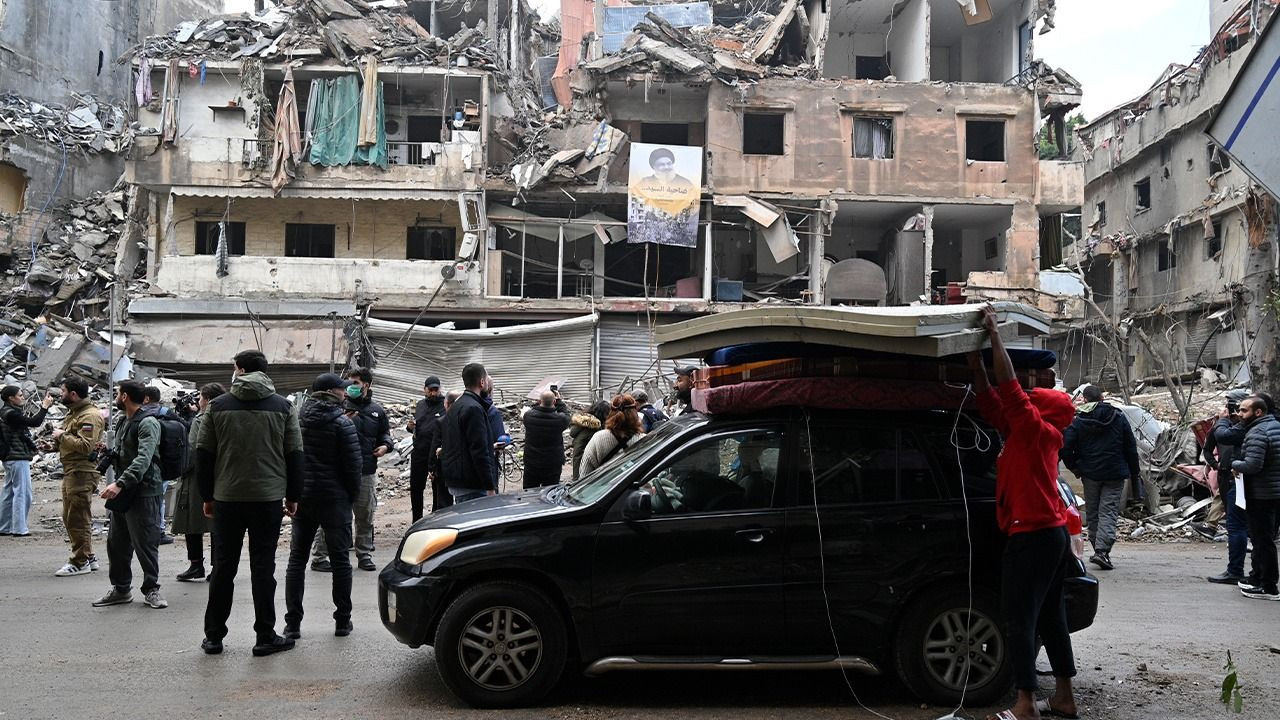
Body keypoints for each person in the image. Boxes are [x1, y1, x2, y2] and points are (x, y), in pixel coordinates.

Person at [969, 306, 1078, 720]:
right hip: (1048, 535)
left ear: (1039, 410)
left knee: (1019, 619)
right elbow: (991, 400)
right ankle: (1064, 698)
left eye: (1031, 402)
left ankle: (1025, 703)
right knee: (1052, 617)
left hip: (1033, 537)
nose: (1022, 402)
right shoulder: (1023, 433)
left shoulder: (1035, 431)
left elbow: (1009, 386)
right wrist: (972, 358)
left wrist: (994, 335)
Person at [197, 350, 303, 657]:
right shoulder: (283, 406)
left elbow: (204, 454)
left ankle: (214, 636)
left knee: (223, 567)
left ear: (240, 370)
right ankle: (265, 636)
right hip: (267, 499)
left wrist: (207, 496)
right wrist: (293, 496)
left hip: (226, 499)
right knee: (262, 568)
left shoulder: (217, 406)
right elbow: (295, 454)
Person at [284, 373, 363, 639]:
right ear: (332, 392)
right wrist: (349, 497)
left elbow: (290, 460)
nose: (346, 393)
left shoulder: (297, 420)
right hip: (335, 500)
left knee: (297, 561)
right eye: (342, 390)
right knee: (341, 560)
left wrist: (293, 493)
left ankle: (292, 624)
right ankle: (343, 620)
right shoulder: (342, 423)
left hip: (304, 499)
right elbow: (353, 467)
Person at [93, 381, 167, 610]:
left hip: (143, 491)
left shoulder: (148, 423)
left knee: (145, 543)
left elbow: (143, 459)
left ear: (124, 396)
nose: (115, 396)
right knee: (117, 543)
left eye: (117, 393)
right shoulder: (124, 421)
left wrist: (119, 484)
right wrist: (108, 455)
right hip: (124, 490)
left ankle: (151, 589)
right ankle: (121, 589)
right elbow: (127, 453)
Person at [312, 367, 392, 573]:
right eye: (349, 383)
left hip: (366, 470)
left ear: (367, 385)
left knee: (365, 514)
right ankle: (320, 556)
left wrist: (385, 446)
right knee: (333, 514)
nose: (350, 388)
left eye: (355, 383)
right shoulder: (337, 407)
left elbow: (385, 434)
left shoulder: (377, 410)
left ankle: (364, 554)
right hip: (338, 472)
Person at [1060, 384, 1140, 571]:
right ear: (1102, 398)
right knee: (1109, 511)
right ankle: (1102, 551)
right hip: (1115, 473)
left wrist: (1075, 467)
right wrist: (1134, 472)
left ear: (1085, 400)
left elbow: (1065, 447)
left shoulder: (1079, 421)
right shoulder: (1118, 417)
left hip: (1090, 473)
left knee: (1094, 512)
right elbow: (1130, 446)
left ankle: (1099, 549)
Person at [52, 378, 105, 576]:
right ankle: (88, 556)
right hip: (72, 470)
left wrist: (61, 436)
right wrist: (55, 445)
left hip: (82, 472)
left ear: (73, 394)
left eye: (63, 390)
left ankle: (79, 561)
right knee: (71, 516)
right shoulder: (75, 413)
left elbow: (85, 446)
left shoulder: (90, 416)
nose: (60, 394)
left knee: (78, 517)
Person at [172, 383, 225, 582]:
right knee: (217, 525)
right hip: (223, 476)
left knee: (191, 522)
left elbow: (193, 450)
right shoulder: (228, 416)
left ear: (208, 400)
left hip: (198, 478)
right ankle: (217, 566)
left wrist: (181, 470)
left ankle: (196, 565)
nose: (198, 402)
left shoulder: (201, 420)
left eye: (201, 398)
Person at [1232, 395, 1280, 601]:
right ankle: (1259, 579)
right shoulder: (1275, 426)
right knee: (1265, 539)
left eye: (1244, 411)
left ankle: (1268, 586)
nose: (1239, 414)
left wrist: (1235, 464)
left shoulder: (1258, 432)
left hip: (1262, 494)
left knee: (1262, 541)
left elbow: (1253, 465)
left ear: (1258, 412)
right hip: (1273, 492)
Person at [1201, 392, 1252, 584]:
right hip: (1227, 477)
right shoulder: (1232, 426)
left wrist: (1221, 421)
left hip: (1239, 480)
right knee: (1239, 525)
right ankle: (1252, 573)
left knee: (1238, 526)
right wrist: (1216, 465)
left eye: (1241, 409)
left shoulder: (1242, 428)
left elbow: (1224, 435)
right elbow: (1208, 447)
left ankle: (1238, 571)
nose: (1237, 413)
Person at [438, 363, 498, 503]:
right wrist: (490, 486)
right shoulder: (473, 408)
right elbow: (479, 450)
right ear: (482, 382)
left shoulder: (457, 406)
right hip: (473, 485)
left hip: (460, 481)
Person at [0, 385, 53, 537]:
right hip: (16, 457)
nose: (23, 397)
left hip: (11, 457)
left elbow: (22, 433)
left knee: (9, 492)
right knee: (22, 493)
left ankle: (4, 526)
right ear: (11, 398)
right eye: (20, 395)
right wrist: (44, 407)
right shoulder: (11, 414)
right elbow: (34, 422)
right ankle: (19, 528)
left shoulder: (7, 412)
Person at [142, 385, 178, 546]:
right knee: (159, 498)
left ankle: (153, 530)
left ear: (147, 398)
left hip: (151, 463)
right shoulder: (167, 413)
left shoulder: (142, 415)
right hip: (164, 463)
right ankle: (158, 530)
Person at [408, 376, 445, 521]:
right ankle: (416, 520)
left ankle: (436, 520)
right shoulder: (420, 405)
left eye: (436, 390)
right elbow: (418, 428)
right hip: (419, 453)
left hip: (437, 454)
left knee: (438, 490)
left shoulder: (445, 405)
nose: (434, 393)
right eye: (431, 390)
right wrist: (410, 427)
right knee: (416, 489)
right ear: (424, 390)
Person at [580, 394, 644, 478]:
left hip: (603, 489)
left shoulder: (598, 438)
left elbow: (584, 475)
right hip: (632, 490)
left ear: (611, 412)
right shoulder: (644, 440)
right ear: (635, 414)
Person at [522, 390, 571, 489]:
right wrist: (559, 401)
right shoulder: (560, 420)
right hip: (552, 464)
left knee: (529, 491)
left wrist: (539, 402)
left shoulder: (528, 417)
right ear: (554, 402)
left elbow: (533, 409)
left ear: (540, 401)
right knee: (550, 492)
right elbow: (566, 415)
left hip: (532, 463)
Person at [427, 391, 461, 510]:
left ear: (446, 404)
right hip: (463, 468)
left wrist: (431, 467)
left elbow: (435, 445)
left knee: (443, 502)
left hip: (444, 467)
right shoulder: (466, 418)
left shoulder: (442, 421)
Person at [569, 400, 610, 483]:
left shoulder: (583, 424)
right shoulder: (593, 429)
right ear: (602, 413)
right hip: (585, 468)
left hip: (580, 465)